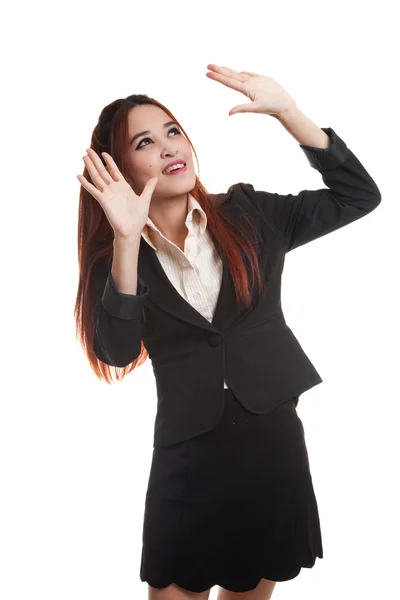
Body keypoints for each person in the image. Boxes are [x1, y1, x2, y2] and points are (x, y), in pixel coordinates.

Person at [74, 66, 381, 600]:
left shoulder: (252, 214)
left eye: (173, 131)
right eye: (145, 142)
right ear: (118, 169)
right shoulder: (117, 260)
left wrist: (289, 113)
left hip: (271, 441)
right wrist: (126, 241)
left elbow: (359, 196)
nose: (171, 147)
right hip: (187, 454)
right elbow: (118, 351)